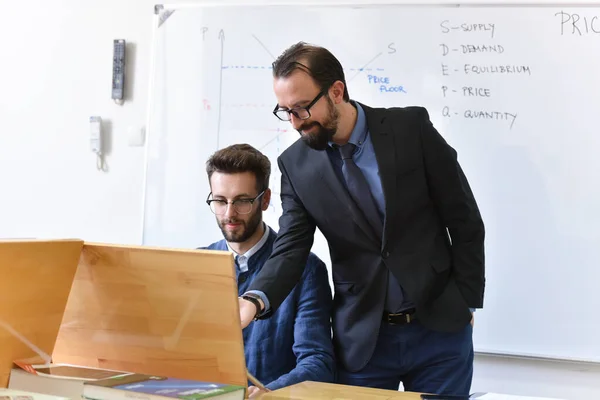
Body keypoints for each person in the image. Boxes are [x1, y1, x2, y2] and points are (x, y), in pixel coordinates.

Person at [238, 42, 485, 396]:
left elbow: (463, 217)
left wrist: (466, 299)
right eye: (285, 111)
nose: (295, 123)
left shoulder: (409, 128)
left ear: (336, 91)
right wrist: (255, 299)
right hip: (364, 341)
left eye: (303, 109)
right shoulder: (295, 166)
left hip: (439, 331)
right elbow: (290, 248)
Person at [200, 143, 336, 398]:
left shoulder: (306, 270)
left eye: (242, 201)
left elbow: (317, 363)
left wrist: (268, 392)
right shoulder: (195, 265)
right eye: (219, 201)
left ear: (265, 200)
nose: (229, 213)